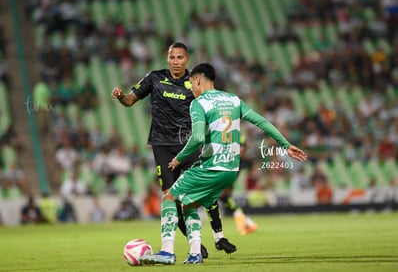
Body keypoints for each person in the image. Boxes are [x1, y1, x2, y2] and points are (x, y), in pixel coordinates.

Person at [139, 62, 307, 265]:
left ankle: (166, 252)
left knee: (169, 197)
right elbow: (261, 122)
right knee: (189, 204)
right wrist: (285, 145)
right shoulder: (233, 99)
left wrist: (179, 158)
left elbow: (198, 138)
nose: (191, 88)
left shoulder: (199, 103)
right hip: (230, 170)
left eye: (191, 83)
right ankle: (194, 254)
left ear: (197, 79)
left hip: (210, 167)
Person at [111, 42, 236, 258]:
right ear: (167, 59)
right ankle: (193, 242)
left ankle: (214, 238)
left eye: (179, 57)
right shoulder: (154, 78)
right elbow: (130, 100)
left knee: (194, 196)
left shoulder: (194, 84)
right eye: (172, 57)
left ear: (187, 60)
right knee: (171, 197)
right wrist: (122, 96)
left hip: (188, 146)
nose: (175, 61)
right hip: (162, 146)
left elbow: (210, 108)